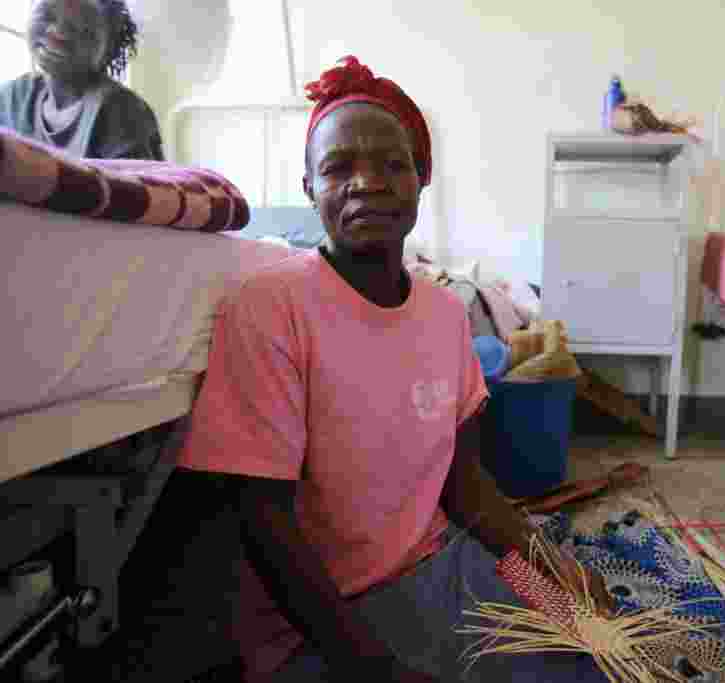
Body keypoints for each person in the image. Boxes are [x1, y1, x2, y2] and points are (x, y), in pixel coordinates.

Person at [177, 56, 614, 683]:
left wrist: (549, 565)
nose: (366, 183)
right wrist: (373, 668)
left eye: (392, 165)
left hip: (446, 563)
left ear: (420, 178)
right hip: (329, 619)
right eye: (337, 167)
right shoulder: (270, 307)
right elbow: (262, 523)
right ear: (307, 186)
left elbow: (464, 487)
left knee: (593, 650)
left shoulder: (442, 313)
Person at [0, 0, 164, 160]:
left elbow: (131, 186)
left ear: (108, 48)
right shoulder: (12, 96)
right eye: (47, 15)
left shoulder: (122, 109)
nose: (58, 34)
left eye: (82, 28)